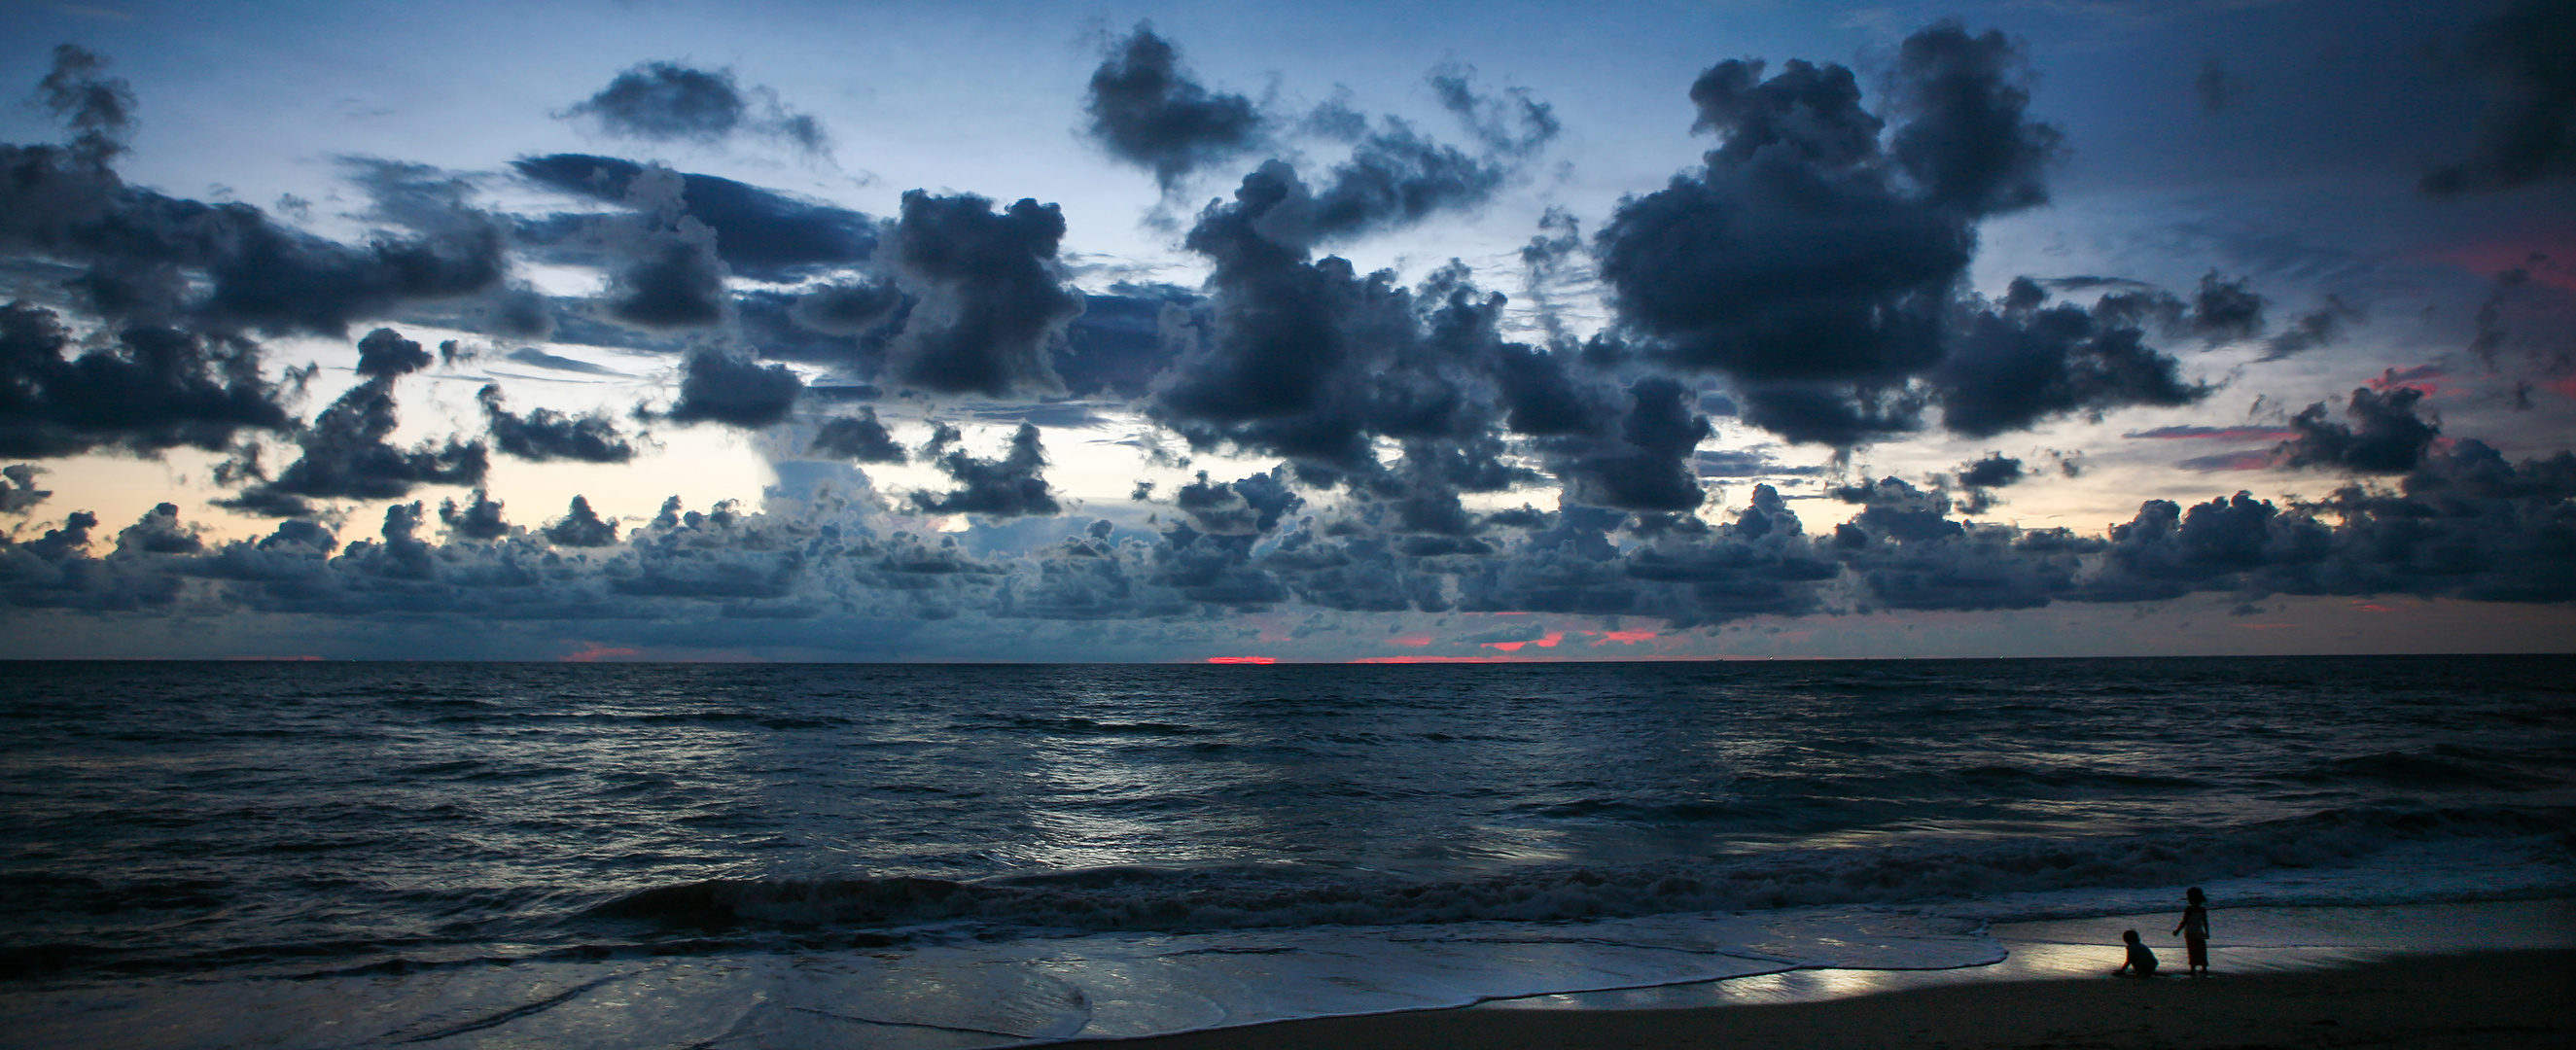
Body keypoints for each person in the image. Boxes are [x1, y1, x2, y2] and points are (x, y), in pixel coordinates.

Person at [2172, 887, 2211, 975]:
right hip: (2199, 933)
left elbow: (2184, 921)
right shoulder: (2202, 910)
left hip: (2190, 933)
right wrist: (2207, 932)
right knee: (2201, 950)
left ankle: (2193, 968)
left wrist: (2178, 931)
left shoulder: (2189, 909)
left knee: (2192, 950)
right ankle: (2204, 967)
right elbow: (2205, 922)